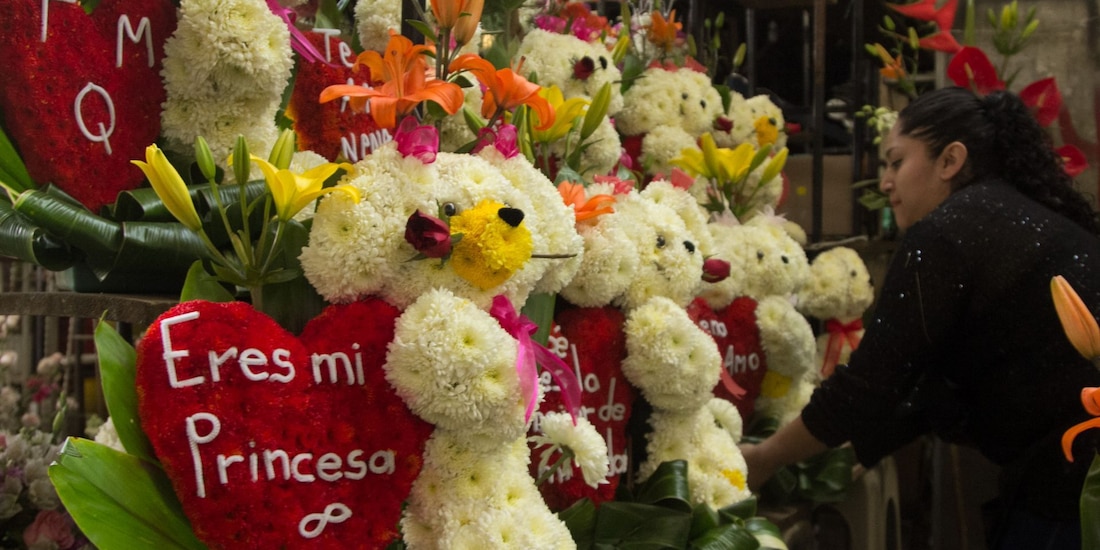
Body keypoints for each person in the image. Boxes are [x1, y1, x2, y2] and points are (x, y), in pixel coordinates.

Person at [741, 86, 1100, 549]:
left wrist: (764, 457)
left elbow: (867, 387)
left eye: (896, 162)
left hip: (1070, 486)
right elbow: (931, 385)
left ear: (950, 161)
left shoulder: (946, 233)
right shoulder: (1012, 215)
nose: (885, 182)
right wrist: (862, 449)